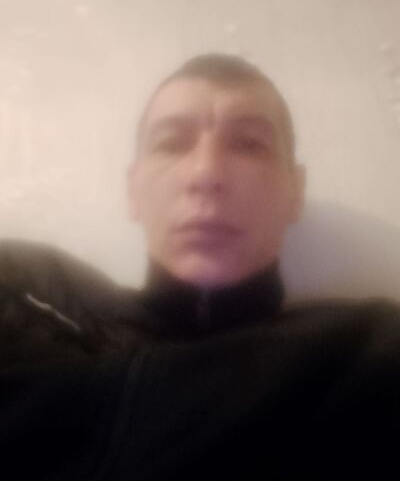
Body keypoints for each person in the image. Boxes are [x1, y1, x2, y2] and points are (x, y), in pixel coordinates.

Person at [1, 53, 400, 480]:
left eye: (249, 144)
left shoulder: (372, 356)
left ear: (295, 192)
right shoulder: (24, 291)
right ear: (134, 190)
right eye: (171, 144)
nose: (206, 174)